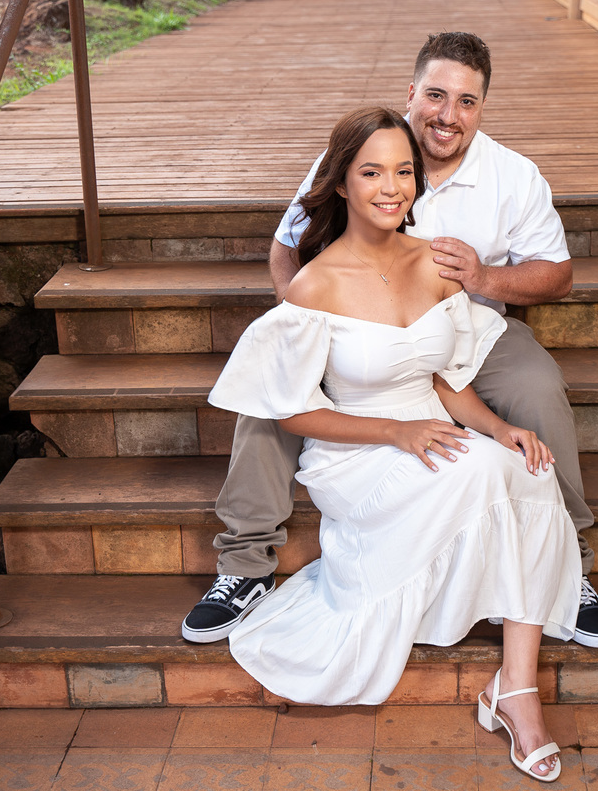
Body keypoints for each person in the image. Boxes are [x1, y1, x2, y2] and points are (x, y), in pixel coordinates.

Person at [183, 32, 598, 651]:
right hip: (359, 329)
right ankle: (246, 563)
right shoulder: (357, 154)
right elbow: (287, 245)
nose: (448, 115)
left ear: (482, 108)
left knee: (537, 387)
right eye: (436, 95)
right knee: (271, 395)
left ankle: (567, 561)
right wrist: (308, 328)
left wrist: (485, 277)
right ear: (411, 93)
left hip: (468, 328)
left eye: (467, 102)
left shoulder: (513, 176)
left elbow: (558, 274)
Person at [208, 106, 577, 782]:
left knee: (528, 470)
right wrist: (395, 433)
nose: (392, 186)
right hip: (358, 449)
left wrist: (499, 428)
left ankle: (515, 689)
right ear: (341, 182)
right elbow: (293, 414)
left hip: (431, 429)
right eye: (372, 171)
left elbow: (441, 379)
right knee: (476, 477)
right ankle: (498, 668)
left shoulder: (435, 261)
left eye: (404, 171)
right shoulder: (316, 283)